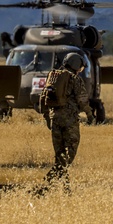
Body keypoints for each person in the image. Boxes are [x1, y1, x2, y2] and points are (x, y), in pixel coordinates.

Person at [41, 53, 93, 190]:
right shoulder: (75, 79)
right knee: (70, 153)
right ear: (76, 65)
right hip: (69, 121)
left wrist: (47, 117)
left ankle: (65, 186)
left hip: (55, 120)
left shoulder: (53, 76)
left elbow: (43, 98)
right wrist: (89, 114)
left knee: (59, 155)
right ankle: (51, 177)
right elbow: (82, 100)